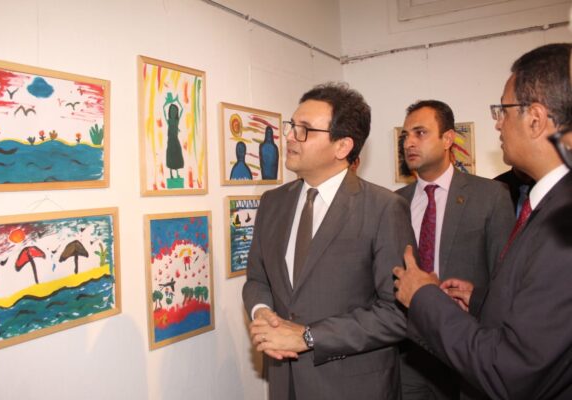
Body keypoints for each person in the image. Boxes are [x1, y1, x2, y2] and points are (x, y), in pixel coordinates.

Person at [393, 43, 572, 400]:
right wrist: (480, 300)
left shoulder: (560, 224)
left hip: (472, 358)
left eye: (503, 110)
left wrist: (424, 296)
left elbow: (509, 372)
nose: (498, 122)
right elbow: (536, 306)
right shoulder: (548, 207)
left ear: (536, 119)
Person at [243, 82, 416, 400]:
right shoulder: (272, 203)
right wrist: (261, 311)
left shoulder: (384, 208)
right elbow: (257, 278)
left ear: (342, 146)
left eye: (304, 129)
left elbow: (397, 314)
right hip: (285, 383)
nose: (290, 136)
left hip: (352, 387)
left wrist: (309, 337)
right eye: (291, 125)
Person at [396, 100, 515, 399]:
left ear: (448, 138)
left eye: (420, 133)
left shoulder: (490, 196)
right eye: (405, 135)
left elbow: (505, 279)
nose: (409, 143)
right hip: (409, 352)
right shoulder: (394, 203)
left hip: (468, 347)